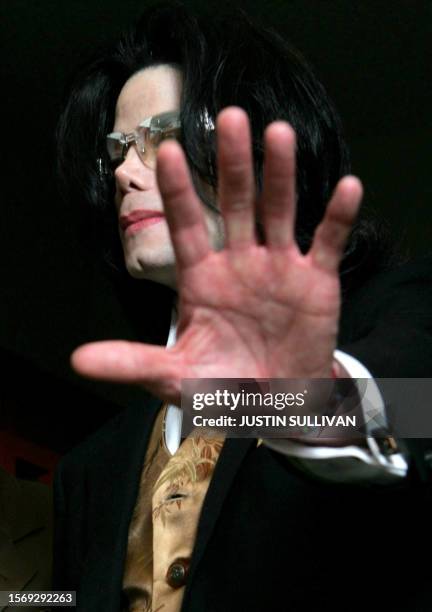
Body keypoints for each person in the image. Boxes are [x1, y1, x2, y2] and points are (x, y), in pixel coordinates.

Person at [54, 3, 432, 611]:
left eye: (165, 135)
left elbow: (413, 414)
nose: (125, 169)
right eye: (119, 147)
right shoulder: (89, 473)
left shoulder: (402, 309)